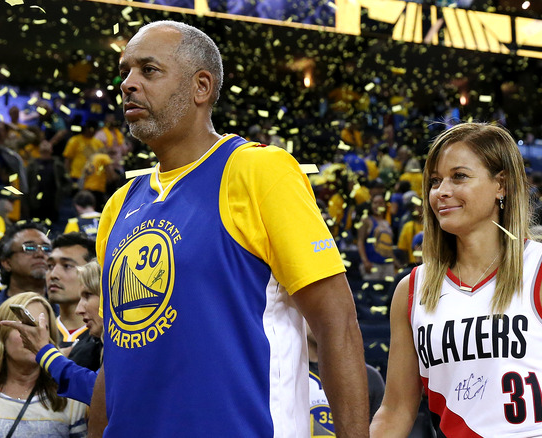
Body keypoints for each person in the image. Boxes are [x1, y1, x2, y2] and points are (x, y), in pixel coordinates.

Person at [90, 21, 368, 437]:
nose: (128, 84)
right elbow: (117, 354)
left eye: (148, 70)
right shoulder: (119, 205)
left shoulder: (259, 170)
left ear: (201, 87)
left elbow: (337, 323)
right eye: (125, 71)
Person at [370, 123, 542, 437]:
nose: (441, 191)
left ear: (501, 185)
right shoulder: (412, 290)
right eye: (435, 181)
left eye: (459, 176)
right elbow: (397, 408)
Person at [0, 292, 87, 436]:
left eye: (43, 327)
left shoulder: (70, 397)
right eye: (25, 325)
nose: (34, 335)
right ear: (2, 334)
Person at [0, 261, 103, 405]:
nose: (79, 309)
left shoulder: (130, 348)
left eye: (88, 295)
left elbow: (98, 391)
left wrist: (46, 352)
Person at [47, 233, 95, 356]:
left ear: (92, 272)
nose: (53, 274)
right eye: (50, 266)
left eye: (67, 266)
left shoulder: (108, 337)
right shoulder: (39, 333)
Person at [0, 221, 51, 309]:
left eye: (47, 248)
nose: (40, 254)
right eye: (30, 248)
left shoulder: (66, 308)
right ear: (7, 263)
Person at [357, 194, 396, 280]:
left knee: (389, 291)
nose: (378, 206)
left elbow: (389, 245)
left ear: (385, 205)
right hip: (373, 263)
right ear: (371, 205)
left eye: (381, 203)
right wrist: (365, 262)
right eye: (375, 203)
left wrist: (395, 262)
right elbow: (360, 242)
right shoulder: (366, 220)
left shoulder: (387, 222)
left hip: (388, 264)